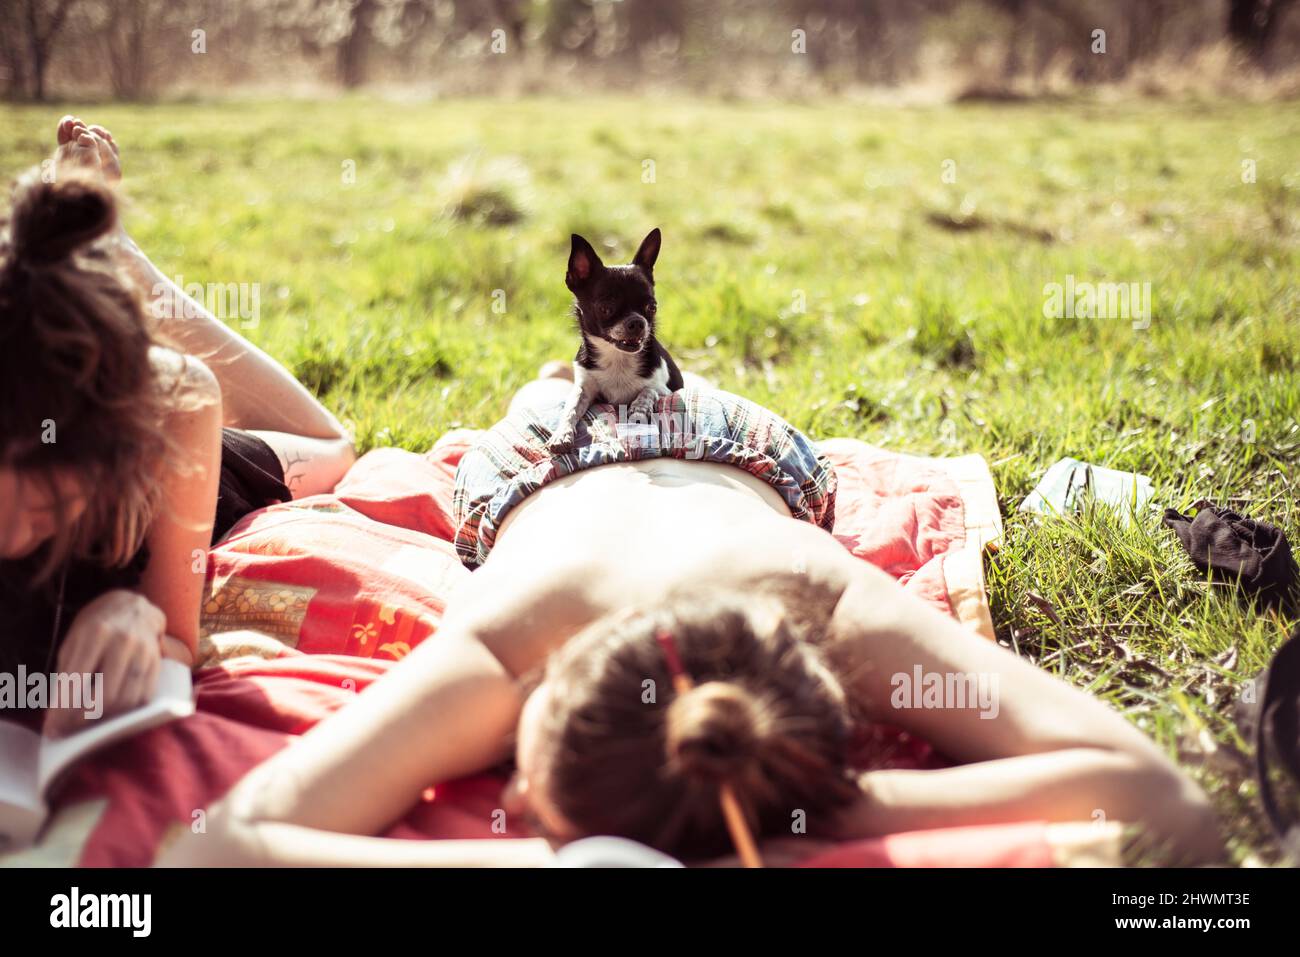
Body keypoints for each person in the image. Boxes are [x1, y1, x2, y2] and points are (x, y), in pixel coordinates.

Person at [159, 368, 1223, 866]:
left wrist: (573, 857)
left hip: (709, 450)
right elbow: (1155, 799)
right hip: (616, 450)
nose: (512, 799)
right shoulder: (808, 602)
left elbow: (222, 849)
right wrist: (835, 814)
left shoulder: (528, 638)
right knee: (572, 380)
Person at [0, 118, 355, 734]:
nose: (9, 534)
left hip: (163, 469)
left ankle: (123, 263)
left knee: (335, 449)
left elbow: (177, 644)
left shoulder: (172, 412)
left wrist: (138, 616)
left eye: (42, 510)